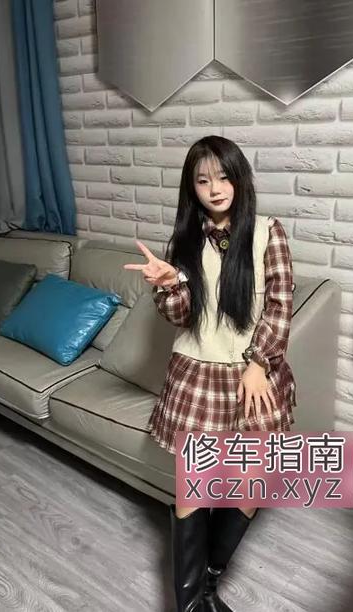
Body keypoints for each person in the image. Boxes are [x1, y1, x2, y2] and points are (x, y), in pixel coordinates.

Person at [123, 135, 297, 612]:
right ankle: (191, 603)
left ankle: (208, 583)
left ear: (239, 178)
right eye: (203, 181)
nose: (215, 188)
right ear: (192, 188)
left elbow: (280, 305)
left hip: (253, 376)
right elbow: (181, 316)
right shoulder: (184, 240)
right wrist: (168, 285)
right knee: (194, 487)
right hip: (197, 374)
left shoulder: (268, 232)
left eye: (223, 177)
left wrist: (259, 363)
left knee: (250, 485)